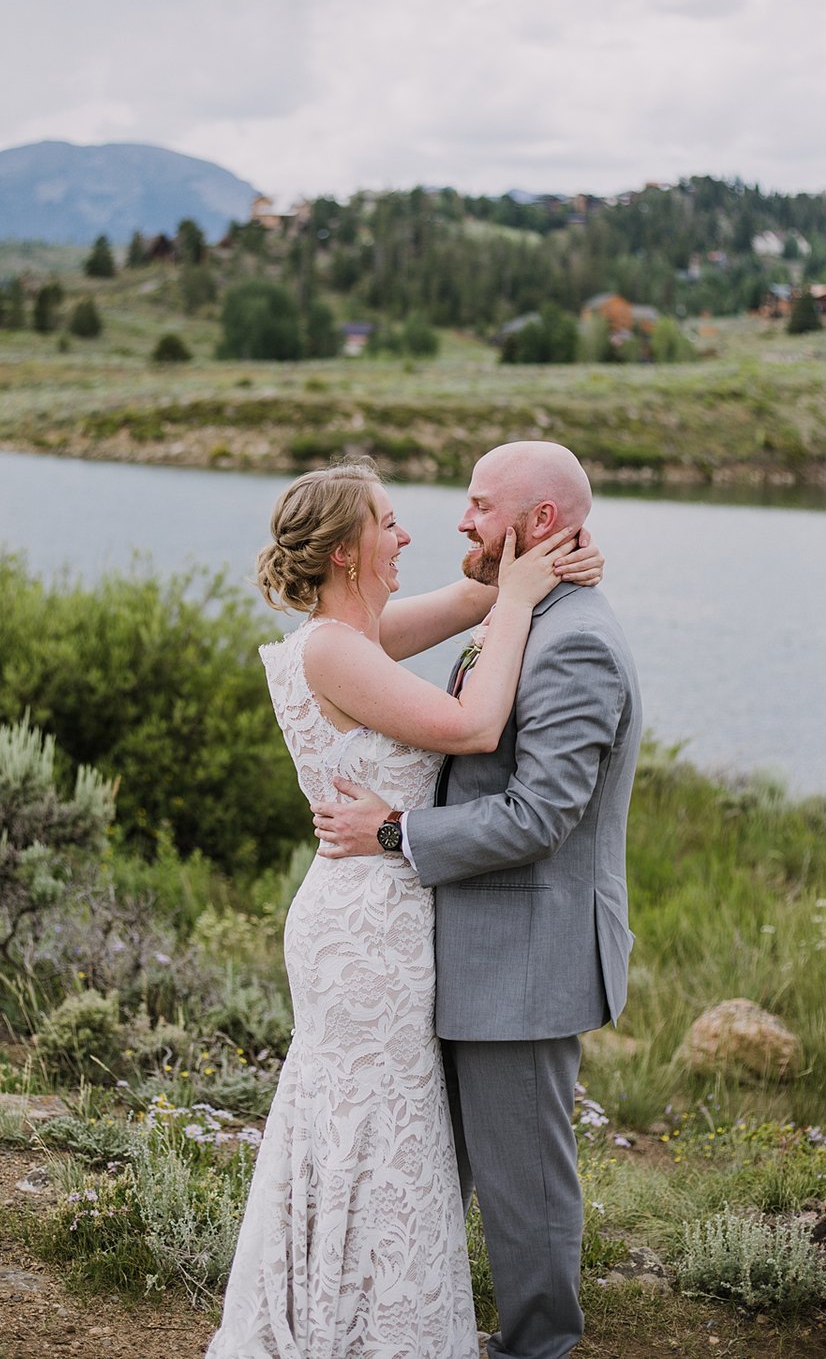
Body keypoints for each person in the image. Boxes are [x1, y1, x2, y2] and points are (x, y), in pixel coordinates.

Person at [205, 455, 604, 1359]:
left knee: (379, 1121)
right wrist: (515, 598)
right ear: (348, 550)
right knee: (376, 1125)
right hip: (366, 928)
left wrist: (536, 567)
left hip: (380, 912)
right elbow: (473, 730)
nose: (408, 534)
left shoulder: (357, 634)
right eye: (388, 521)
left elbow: (471, 603)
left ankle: (352, 1314)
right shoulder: (336, 648)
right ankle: (355, 1328)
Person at [312, 441, 642, 1359]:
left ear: (540, 523)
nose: (459, 519)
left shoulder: (574, 642)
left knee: (524, 1183)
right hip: (467, 949)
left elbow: (540, 816)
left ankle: (540, 1349)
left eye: (478, 503)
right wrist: (508, 589)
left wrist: (392, 833)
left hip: (525, 956)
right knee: (439, 1170)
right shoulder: (523, 609)